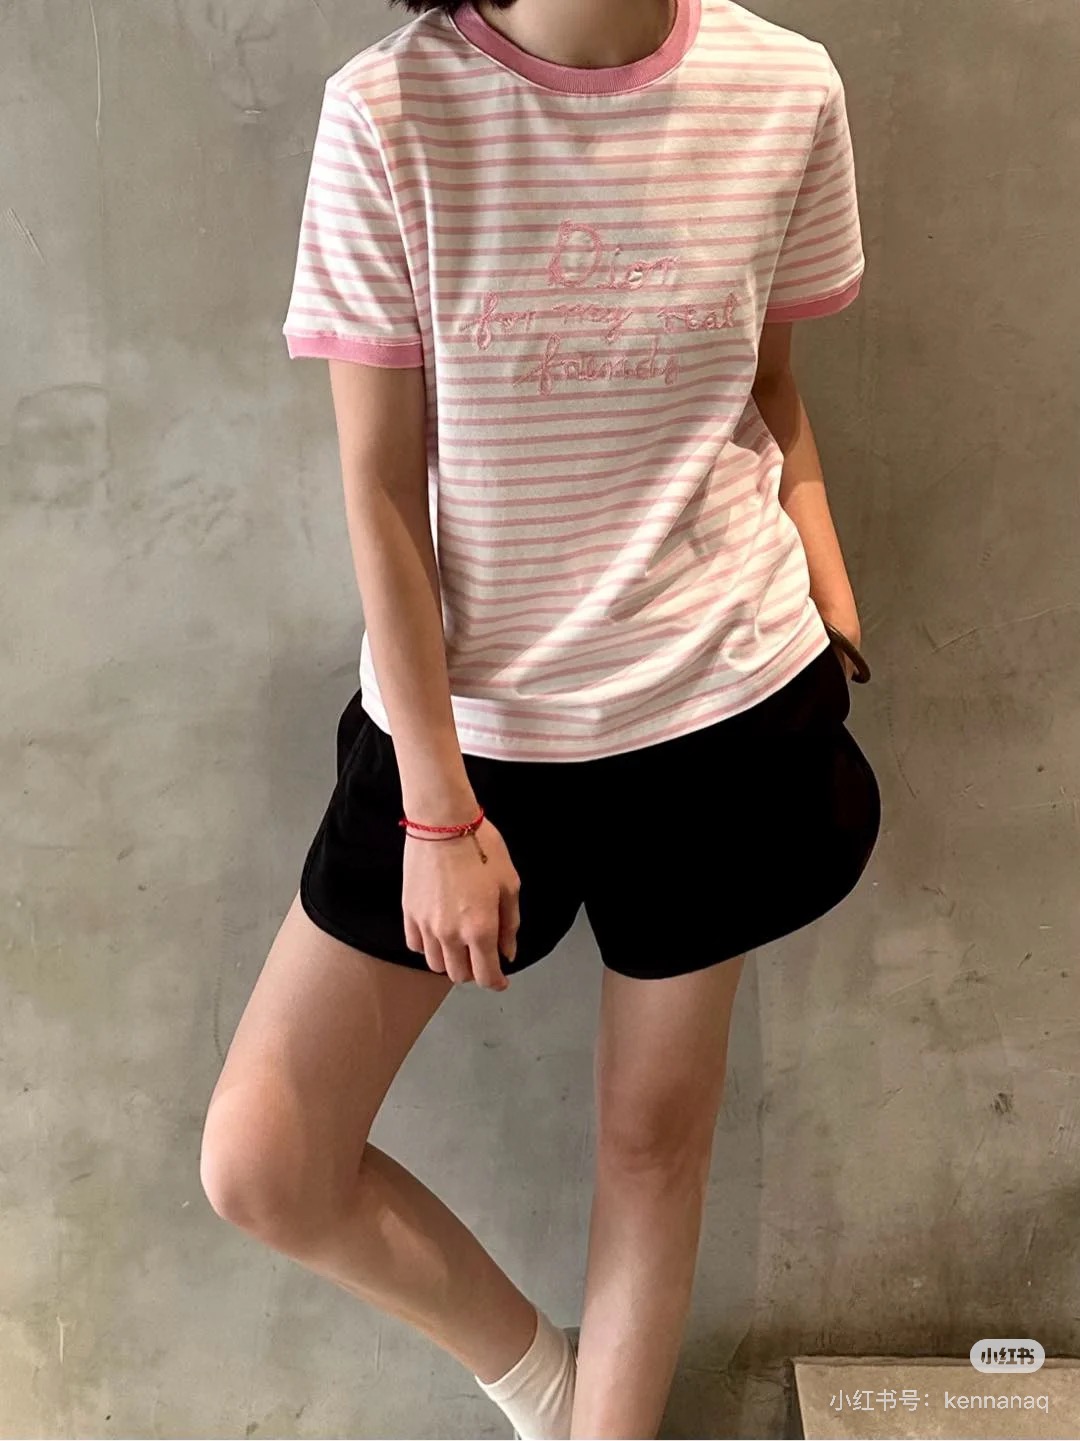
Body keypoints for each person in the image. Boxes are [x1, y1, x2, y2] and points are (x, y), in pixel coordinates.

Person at [199, 0, 882, 1436]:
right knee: (267, 1158)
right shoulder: (391, 113)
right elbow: (380, 489)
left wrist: (827, 576)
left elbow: (770, 388)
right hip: (467, 739)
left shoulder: (784, 87)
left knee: (652, 1142)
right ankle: (551, 1390)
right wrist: (437, 809)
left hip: (720, 703)